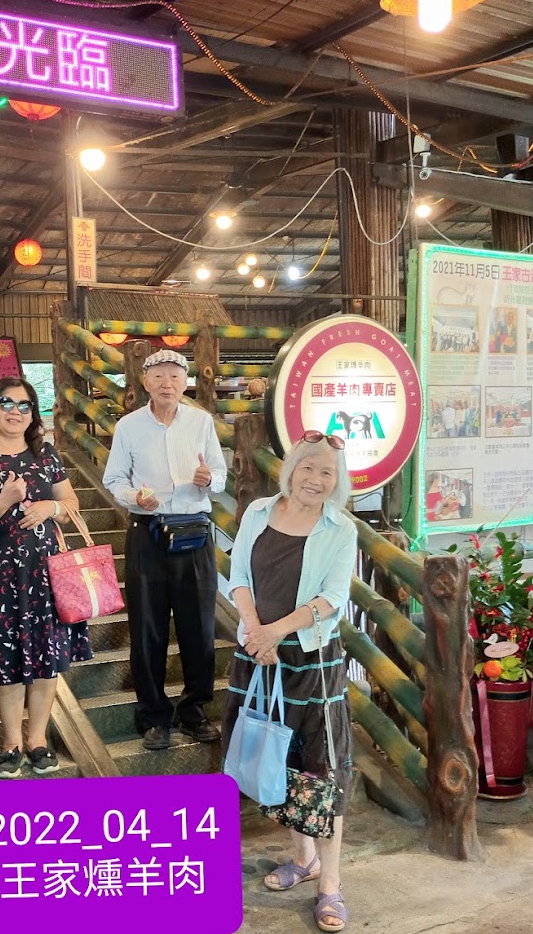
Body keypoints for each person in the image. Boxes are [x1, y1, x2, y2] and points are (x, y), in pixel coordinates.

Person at [223, 431, 358, 933]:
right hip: (258, 653)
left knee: (322, 767)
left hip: (312, 659)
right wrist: (256, 632)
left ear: (337, 482)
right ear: (291, 469)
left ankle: (331, 884)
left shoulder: (340, 529)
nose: (316, 480)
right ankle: (304, 859)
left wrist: (276, 631)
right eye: (308, 468)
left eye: (327, 473)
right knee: (275, 755)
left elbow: (332, 597)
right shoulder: (258, 512)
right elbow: (238, 577)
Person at [0, 377, 90, 778]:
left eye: (25, 405)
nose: (16, 412)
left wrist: (51, 508)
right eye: (7, 403)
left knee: (47, 662)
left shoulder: (45, 455)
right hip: (1, 578)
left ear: (33, 413)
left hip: (48, 575)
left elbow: (71, 503)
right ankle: (11, 743)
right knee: (7, 661)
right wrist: (5, 500)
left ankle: (38, 740)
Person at [102, 349, 228, 750]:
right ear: (145, 382)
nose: (167, 383)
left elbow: (221, 473)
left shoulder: (201, 422)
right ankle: (154, 715)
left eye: (175, 376)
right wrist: (135, 497)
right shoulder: (129, 426)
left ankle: (194, 710)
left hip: (193, 533)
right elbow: (114, 479)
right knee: (147, 627)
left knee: (199, 627)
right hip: (148, 532)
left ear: (186, 382)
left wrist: (209, 480)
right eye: (158, 376)